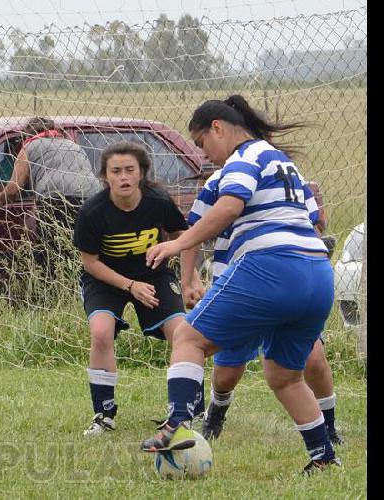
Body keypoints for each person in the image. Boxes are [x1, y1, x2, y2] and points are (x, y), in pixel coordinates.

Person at [143, 95, 340, 474]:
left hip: (270, 268)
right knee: (283, 375)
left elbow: (230, 206)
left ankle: (175, 425)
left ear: (217, 127)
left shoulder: (243, 159)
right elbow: (318, 220)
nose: (206, 156)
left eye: (202, 144)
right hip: (316, 274)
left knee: (187, 338)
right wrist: (188, 276)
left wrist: (177, 243)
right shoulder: (284, 164)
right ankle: (324, 456)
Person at [182, 171, 343, 445]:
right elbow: (193, 230)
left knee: (313, 358)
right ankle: (215, 414)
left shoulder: (285, 175)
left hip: (285, 282)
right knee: (226, 375)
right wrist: (188, 280)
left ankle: (328, 428)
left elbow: (317, 222)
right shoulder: (219, 182)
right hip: (238, 287)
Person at [72, 141, 206, 440]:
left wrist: (191, 278)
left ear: (142, 173)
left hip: (154, 274)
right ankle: (103, 414)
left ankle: (189, 412)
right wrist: (130, 286)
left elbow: (181, 237)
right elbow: (90, 263)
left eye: (129, 170)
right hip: (106, 279)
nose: (123, 177)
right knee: (101, 332)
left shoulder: (158, 201)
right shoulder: (93, 211)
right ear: (105, 176)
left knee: (182, 331)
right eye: (115, 171)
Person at [0, 117, 102, 207]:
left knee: (52, 236)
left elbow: (13, 190)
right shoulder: (72, 145)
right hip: (93, 197)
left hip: (56, 198)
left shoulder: (29, 146)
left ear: (27, 135)